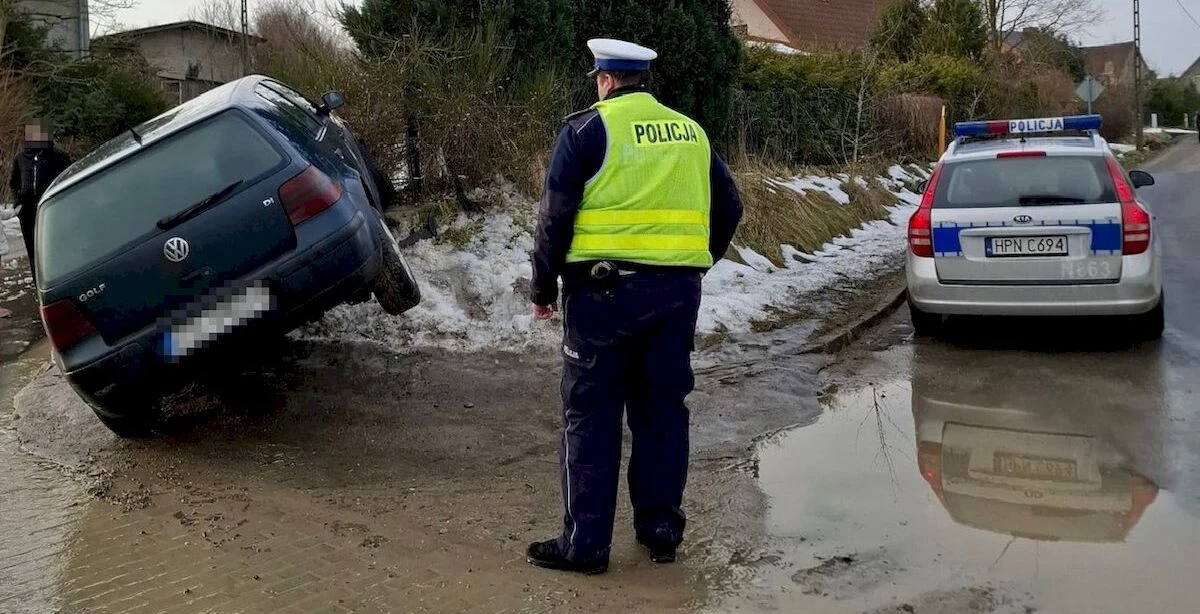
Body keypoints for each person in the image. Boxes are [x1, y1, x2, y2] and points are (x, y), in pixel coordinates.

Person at [526, 38, 743, 575]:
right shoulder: (691, 133)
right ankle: (662, 534)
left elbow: (554, 217)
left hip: (601, 299)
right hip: (674, 298)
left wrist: (542, 287)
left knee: (590, 417)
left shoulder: (585, 130)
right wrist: (695, 262)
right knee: (662, 416)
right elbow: (731, 205)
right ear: (643, 80)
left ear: (604, 79)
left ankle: (586, 546)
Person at [8, 119, 72, 283]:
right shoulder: (21, 158)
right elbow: (14, 184)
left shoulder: (59, 157)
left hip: (52, 209)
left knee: (54, 245)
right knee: (33, 249)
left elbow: (68, 177)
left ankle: (61, 278)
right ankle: (40, 283)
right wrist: (18, 204)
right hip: (27, 212)